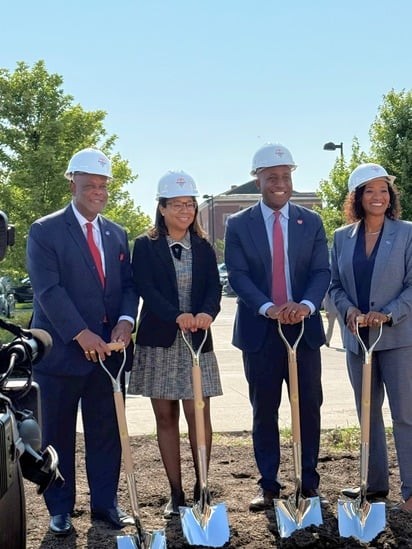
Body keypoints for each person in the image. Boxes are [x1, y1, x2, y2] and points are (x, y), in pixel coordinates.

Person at [27, 148, 139, 535]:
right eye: (90, 184)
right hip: (60, 356)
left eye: (103, 185)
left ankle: (105, 505)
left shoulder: (116, 233)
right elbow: (48, 290)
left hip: (108, 357)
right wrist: (80, 333)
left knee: (106, 434)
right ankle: (59, 509)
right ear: (71, 183)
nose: (98, 191)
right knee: (57, 435)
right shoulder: (45, 230)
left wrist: (125, 322)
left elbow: (128, 287)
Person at [224, 143, 330, 510]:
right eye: (272, 177)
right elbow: (237, 274)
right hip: (260, 331)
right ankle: (268, 484)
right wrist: (268, 308)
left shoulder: (311, 221)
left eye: (285, 176)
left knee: (308, 407)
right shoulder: (239, 224)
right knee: (264, 409)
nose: (280, 183)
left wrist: (306, 306)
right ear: (258, 180)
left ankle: (308, 481)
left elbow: (321, 271)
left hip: (304, 330)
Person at [128, 170, 222, 518]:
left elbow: (213, 288)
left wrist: (206, 313)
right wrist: (176, 315)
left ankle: (203, 488)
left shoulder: (204, 246)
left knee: (199, 416)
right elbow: (146, 288)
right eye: (178, 204)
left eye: (190, 204)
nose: (186, 210)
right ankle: (176, 492)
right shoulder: (146, 245)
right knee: (166, 417)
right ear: (162, 207)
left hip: (197, 342)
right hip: (161, 342)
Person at [329, 162, 412, 512]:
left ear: (390, 196)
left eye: (383, 190)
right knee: (367, 411)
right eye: (370, 191)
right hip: (358, 339)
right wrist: (348, 310)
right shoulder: (341, 237)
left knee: (405, 414)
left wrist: (389, 313)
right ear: (358, 197)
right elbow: (334, 285)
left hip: (397, 338)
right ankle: (374, 484)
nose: (378, 196)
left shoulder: (407, 233)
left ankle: (411, 491)